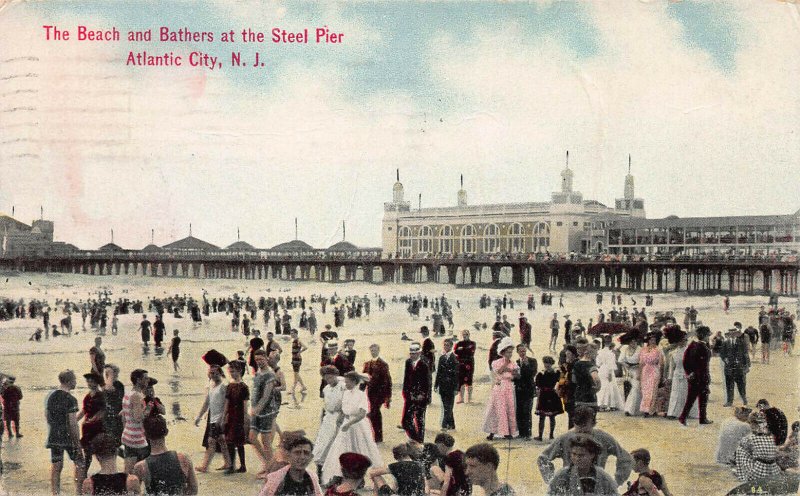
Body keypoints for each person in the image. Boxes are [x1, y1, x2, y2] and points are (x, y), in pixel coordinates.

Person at [537, 406, 633, 487]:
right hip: (570, 487)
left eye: (586, 432)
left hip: (596, 486)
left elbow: (626, 458)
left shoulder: (603, 438)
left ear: (593, 424)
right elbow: (543, 458)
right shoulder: (565, 439)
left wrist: (616, 481)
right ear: (574, 425)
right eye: (578, 432)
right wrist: (552, 481)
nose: (582, 436)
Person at [321, 371, 383, 484]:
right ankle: (338, 476)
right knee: (341, 448)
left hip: (358, 425)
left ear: (354, 382)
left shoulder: (361, 394)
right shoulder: (346, 393)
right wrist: (342, 418)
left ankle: (361, 478)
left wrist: (349, 424)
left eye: (348, 382)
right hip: (346, 423)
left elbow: (362, 414)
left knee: (359, 449)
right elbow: (344, 409)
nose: (346, 384)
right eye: (345, 381)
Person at [133, 415, 198, 495]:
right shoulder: (184, 458)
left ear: (145, 435)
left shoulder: (141, 467)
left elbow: (134, 493)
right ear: (166, 432)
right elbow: (194, 489)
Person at [46, 370, 86, 495]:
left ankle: (55, 493)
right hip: (67, 436)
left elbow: (47, 416)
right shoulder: (71, 399)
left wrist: (55, 427)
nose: (76, 382)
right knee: (80, 462)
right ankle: (78, 492)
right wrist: (77, 444)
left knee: (57, 466)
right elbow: (73, 424)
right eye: (74, 380)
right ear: (69, 381)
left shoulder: (51, 396)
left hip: (54, 435)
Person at [547, 434, 619, 496]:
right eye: (574, 454)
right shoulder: (562, 476)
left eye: (581, 455)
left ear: (592, 455)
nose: (577, 458)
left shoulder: (604, 478)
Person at [195, 364, 232, 473]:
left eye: (215, 372)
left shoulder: (223, 386)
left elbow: (227, 403)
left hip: (219, 418)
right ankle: (228, 463)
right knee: (221, 441)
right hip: (212, 418)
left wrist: (222, 417)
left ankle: (204, 467)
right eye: (211, 373)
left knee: (211, 442)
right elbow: (207, 403)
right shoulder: (211, 386)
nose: (213, 375)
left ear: (220, 373)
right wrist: (199, 416)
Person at [483, 337, 519, 440]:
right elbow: (498, 371)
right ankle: (492, 432)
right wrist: (507, 367)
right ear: (503, 352)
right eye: (508, 352)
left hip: (508, 386)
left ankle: (507, 432)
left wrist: (513, 371)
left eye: (511, 352)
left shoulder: (513, 363)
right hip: (499, 387)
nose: (509, 354)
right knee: (497, 409)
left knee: (509, 409)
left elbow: (516, 375)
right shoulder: (497, 362)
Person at [250, 349, 279, 477]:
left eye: (261, 359)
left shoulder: (270, 375)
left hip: (266, 412)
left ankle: (272, 470)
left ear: (266, 358)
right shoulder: (258, 373)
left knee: (266, 443)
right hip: (256, 411)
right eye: (257, 360)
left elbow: (266, 396)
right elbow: (255, 392)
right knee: (251, 438)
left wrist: (257, 409)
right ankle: (268, 464)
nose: (259, 362)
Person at [678, 326, 714, 426]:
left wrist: (689, 373)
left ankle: (689, 417)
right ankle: (697, 418)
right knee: (700, 398)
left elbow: (685, 361)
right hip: (701, 377)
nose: (708, 337)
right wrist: (692, 372)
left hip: (696, 377)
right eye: (707, 335)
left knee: (694, 398)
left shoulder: (692, 345)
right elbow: (698, 363)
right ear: (704, 336)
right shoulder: (701, 346)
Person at [313, 366, 346, 472]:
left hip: (341, 417)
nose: (328, 380)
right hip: (329, 417)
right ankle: (321, 470)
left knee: (338, 444)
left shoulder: (344, 386)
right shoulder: (326, 389)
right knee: (322, 444)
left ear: (335, 375)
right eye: (326, 378)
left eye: (330, 377)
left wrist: (341, 416)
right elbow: (325, 406)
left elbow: (347, 402)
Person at [734, 410, 781, 483]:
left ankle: (742, 474)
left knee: (740, 449)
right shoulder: (771, 435)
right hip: (774, 470)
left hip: (759, 472)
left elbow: (742, 446)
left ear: (752, 423)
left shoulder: (751, 437)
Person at [121, 369, 151, 474]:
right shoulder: (137, 396)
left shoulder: (127, 394)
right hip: (137, 438)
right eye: (145, 378)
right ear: (138, 380)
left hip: (128, 435)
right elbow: (138, 417)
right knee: (141, 471)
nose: (148, 380)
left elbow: (123, 416)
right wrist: (147, 409)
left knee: (129, 470)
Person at [402, 342, 431, 443]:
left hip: (420, 397)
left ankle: (420, 441)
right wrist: (406, 393)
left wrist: (423, 395)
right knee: (405, 421)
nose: (412, 355)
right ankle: (416, 439)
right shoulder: (408, 362)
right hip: (409, 396)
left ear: (419, 353)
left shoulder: (424, 364)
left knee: (419, 420)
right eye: (411, 353)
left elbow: (427, 382)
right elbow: (406, 379)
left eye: (414, 353)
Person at [665, 327, 697, 419]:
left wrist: (693, 373)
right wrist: (670, 378)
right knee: (675, 393)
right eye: (681, 340)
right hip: (677, 374)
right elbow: (671, 367)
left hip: (688, 374)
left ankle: (689, 412)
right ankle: (673, 413)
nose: (683, 342)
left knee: (687, 393)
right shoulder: (673, 352)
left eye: (684, 340)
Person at [224, 360, 250, 473]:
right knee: (229, 441)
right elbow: (226, 403)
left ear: (239, 371)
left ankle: (243, 465)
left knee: (239, 443)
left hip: (239, 417)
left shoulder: (244, 387)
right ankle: (232, 465)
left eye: (233, 371)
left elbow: (245, 405)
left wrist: (246, 419)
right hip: (231, 417)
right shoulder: (229, 386)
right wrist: (224, 416)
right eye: (230, 371)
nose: (232, 374)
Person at [363, 344, 392, 443]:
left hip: (380, 394)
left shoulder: (383, 364)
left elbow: (387, 381)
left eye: (375, 350)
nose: (373, 352)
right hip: (370, 393)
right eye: (371, 350)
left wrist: (388, 397)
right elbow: (363, 379)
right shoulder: (367, 364)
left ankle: (378, 437)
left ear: (378, 350)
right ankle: (377, 436)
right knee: (374, 413)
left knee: (375, 412)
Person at [79, 371, 106, 474]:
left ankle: (105, 469)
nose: (89, 383)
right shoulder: (87, 396)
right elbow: (84, 410)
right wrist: (76, 419)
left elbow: (103, 411)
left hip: (97, 427)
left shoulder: (101, 395)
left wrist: (93, 419)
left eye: (91, 381)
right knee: (87, 452)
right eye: (88, 381)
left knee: (100, 451)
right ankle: (84, 473)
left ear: (97, 382)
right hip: (87, 428)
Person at [715, 327, 750, 406]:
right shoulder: (725, 342)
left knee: (741, 385)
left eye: (734, 333)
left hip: (739, 367)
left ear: (736, 334)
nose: (733, 334)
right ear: (729, 334)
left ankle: (744, 398)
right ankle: (729, 401)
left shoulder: (741, 342)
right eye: (731, 333)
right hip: (729, 368)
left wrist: (747, 366)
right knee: (729, 385)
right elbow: (722, 354)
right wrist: (725, 359)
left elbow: (745, 354)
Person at [535, 356, 563, 441]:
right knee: (542, 417)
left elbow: (560, 382)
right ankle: (540, 435)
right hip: (544, 395)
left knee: (552, 416)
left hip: (551, 394)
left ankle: (551, 434)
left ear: (551, 363)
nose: (547, 365)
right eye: (545, 363)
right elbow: (537, 385)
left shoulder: (556, 372)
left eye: (548, 363)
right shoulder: (541, 373)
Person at [435, 338, 459, 431]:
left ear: (451, 346)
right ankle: (452, 425)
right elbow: (439, 372)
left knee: (449, 406)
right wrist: (436, 385)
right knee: (446, 405)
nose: (445, 347)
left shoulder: (455, 358)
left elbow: (457, 374)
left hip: (451, 386)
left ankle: (444, 425)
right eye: (444, 345)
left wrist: (456, 388)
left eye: (447, 345)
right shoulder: (442, 358)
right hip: (442, 386)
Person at [638, 331, 664, 417]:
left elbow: (661, 363)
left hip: (654, 370)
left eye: (654, 340)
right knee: (645, 391)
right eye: (651, 340)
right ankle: (646, 409)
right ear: (648, 341)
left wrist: (661, 374)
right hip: (645, 371)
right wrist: (639, 374)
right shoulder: (643, 350)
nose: (653, 341)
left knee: (652, 390)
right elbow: (641, 363)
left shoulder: (658, 350)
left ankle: (651, 410)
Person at [514, 343, 537, 440]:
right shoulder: (516, 362)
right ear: (518, 352)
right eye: (521, 351)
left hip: (528, 390)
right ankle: (521, 432)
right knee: (519, 411)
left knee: (527, 411)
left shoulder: (532, 361)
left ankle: (527, 433)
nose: (522, 353)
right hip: (519, 390)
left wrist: (527, 364)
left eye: (524, 351)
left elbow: (533, 373)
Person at [572, 340, 601, 411]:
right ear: (590, 352)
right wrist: (597, 388)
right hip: (590, 398)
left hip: (578, 397)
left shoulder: (576, 364)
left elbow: (574, 380)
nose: (596, 355)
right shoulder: (590, 365)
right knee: (589, 421)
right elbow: (596, 379)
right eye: (596, 352)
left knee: (579, 421)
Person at [596, 342, 624, 412]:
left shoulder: (599, 352)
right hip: (608, 370)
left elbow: (598, 363)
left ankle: (601, 402)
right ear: (611, 347)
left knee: (602, 385)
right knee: (610, 386)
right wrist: (610, 374)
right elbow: (612, 365)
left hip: (601, 369)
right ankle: (610, 403)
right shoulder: (611, 354)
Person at [454, 330, 476, 404]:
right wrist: (464, 350)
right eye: (463, 334)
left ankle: (469, 399)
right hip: (461, 364)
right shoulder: (459, 343)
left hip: (469, 364)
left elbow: (471, 351)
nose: (464, 335)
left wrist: (462, 349)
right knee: (461, 381)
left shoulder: (472, 343)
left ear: (469, 335)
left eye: (466, 334)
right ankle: (461, 399)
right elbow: (455, 351)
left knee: (469, 381)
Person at [289, 328, 308, 402]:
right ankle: (303, 386)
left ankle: (293, 389)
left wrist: (299, 352)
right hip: (294, 359)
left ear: (296, 333)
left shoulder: (298, 340)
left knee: (295, 374)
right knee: (296, 374)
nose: (291, 334)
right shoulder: (294, 340)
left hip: (297, 359)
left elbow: (305, 347)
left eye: (293, 333)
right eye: (291, 333)